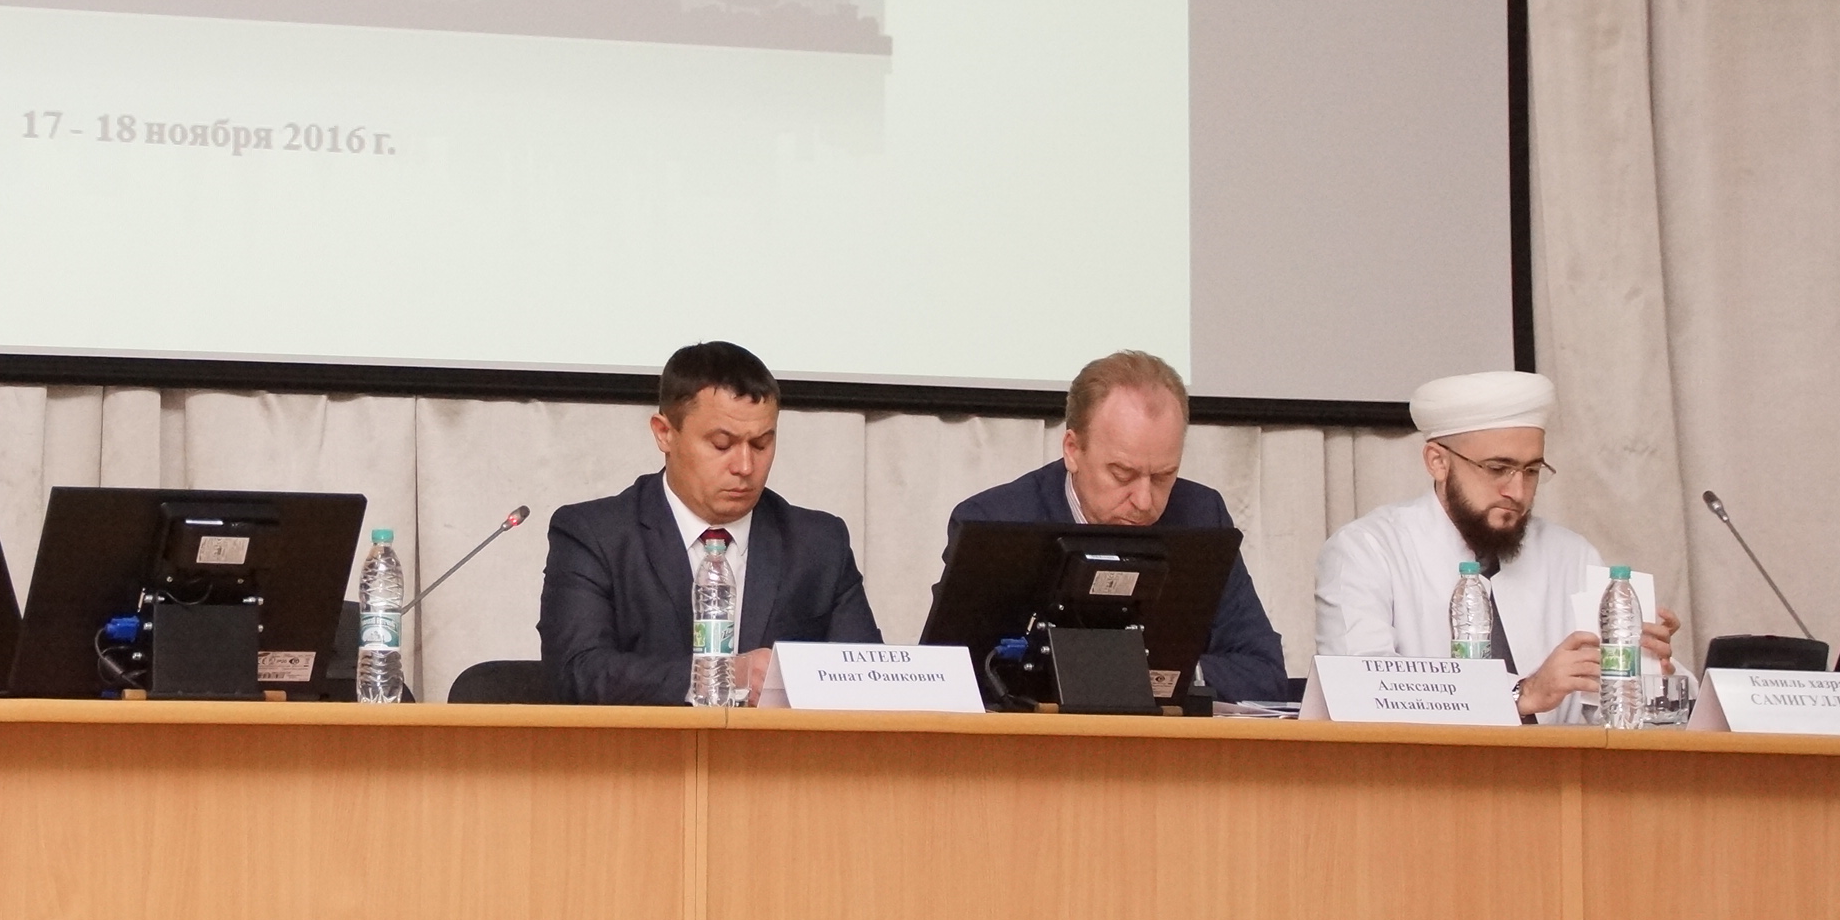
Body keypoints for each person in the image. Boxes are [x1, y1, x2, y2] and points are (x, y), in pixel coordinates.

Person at [1313, 370, 1680, 724]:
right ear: (1437, 462)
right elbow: (1359, 693)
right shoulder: (1366, 551)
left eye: (1531, 471)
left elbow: (1607, 713)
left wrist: (1647, 674)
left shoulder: (1573, 556)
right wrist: (1522, 694)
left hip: (1558, 766)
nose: (1517, 492)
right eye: (1497, 468)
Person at [940, 350, 1296, 702]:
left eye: (1163, 476)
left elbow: (1264, 672)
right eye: (1122, 474)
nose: (1144, 500)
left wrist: (1164, 673)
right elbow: (952, 676)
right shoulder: (994, 522)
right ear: (1073, 450)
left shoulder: (1201, 517)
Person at [538, 341, 881, 704]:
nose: (745, 467)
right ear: (664, 433)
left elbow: (867, 685)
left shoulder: (818, 544)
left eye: (761, 445)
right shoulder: (596, 535)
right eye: (721, 444)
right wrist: (724, 675)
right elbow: (577, 672)